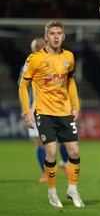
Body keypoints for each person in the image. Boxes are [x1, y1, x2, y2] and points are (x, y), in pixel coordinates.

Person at [19, 20, 84, 208]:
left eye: (59, 33)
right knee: (52, 152)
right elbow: (24, 85)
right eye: (52, 33)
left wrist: (76, 106)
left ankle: (73, 189)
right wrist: (26, 111)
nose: (55, 37)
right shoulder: (35, 59)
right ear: (46, 36)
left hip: (64, 112)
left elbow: (70, 81)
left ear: (63, 36)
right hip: (44, 112)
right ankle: (52, 191)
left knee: (75, 152)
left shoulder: (69, 57)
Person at [18, 37, 69, 183]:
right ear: (32, 50)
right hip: (37, 109)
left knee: (65, 140)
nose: (39, 48)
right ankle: (45, 173)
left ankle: (64, 163)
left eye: (41, 45)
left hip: (58, 107)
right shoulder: (28, 66)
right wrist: (25, 108)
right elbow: (22, 88)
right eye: (35, 47)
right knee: (40, 142)